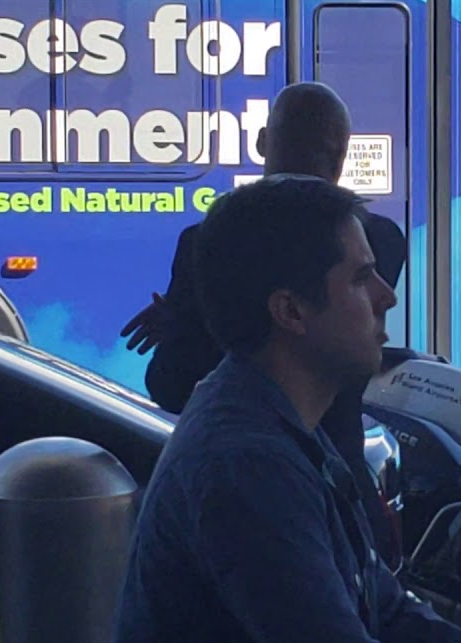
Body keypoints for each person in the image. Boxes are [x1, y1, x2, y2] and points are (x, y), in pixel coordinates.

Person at [103, 175, 461, 643]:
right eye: (362, 279)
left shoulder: (282, 424)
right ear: (290, 312)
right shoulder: (245, 463)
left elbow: (389, 616)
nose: (387, 295)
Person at [119, 81, 408, 566]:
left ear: (261, 145)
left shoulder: (204, 245)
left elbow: (171, 387)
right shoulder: (381, 241)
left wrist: (187, 320)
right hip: (345, 488)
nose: (384, 296)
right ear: (341, 159)